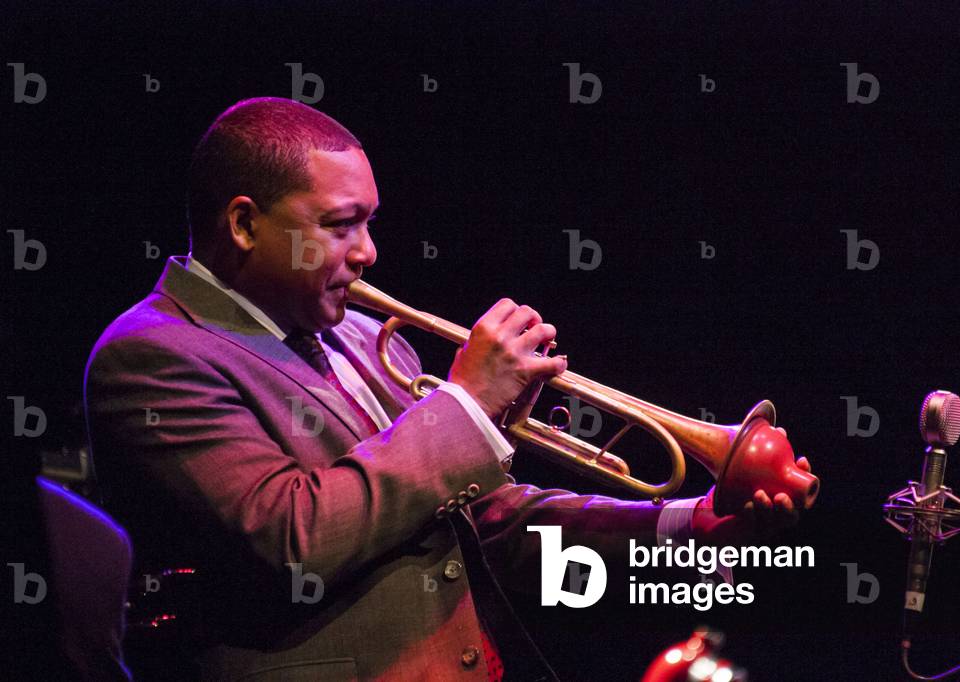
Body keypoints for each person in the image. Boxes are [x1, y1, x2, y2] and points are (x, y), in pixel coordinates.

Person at [84, 97, 812, 681]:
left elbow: (484, 524)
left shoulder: (357, 335)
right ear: (243, 223)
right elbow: (290, 540)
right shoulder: (153, 355)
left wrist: (684, 527)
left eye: (369, 222)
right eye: (340, 226)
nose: (367, 252)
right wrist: (465, 408)